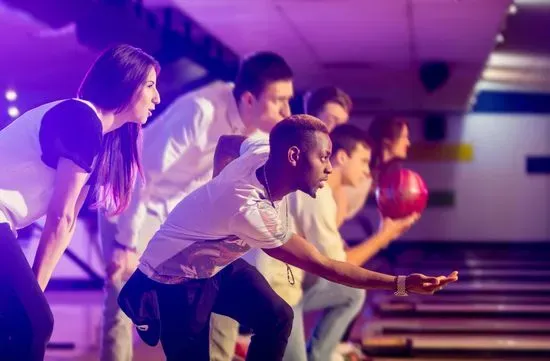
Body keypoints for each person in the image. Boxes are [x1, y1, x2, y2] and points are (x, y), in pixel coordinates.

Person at [118, 114, 458, 361]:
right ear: (294, 157)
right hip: (171, 281)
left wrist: (214, 189)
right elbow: (327, 266)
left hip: (215, 266)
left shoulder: (265, 149)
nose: (329, 168)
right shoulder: (250, 208)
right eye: (323, 158)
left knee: (278, 316)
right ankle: (142, 301)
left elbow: (228, 141)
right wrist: (400, 284)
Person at [99, 51, 294, 361]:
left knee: (207, 291)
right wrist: (125, 243)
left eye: (289, 100)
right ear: (248, 100)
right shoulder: (200, 110)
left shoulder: (256, 135)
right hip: (129, 201)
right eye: (278, 101)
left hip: (176, 216)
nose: (286, 111)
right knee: (124, 303)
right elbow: (142, 175)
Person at [0, 44, 160, 361]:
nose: (157, 98)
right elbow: (58, 219)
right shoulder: (81, 118)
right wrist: (35, 298)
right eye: (151, 86)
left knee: (26, 323)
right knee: (34, 324)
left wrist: (35, 291)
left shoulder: (98, 140)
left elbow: (68, 223)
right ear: (126, 83)